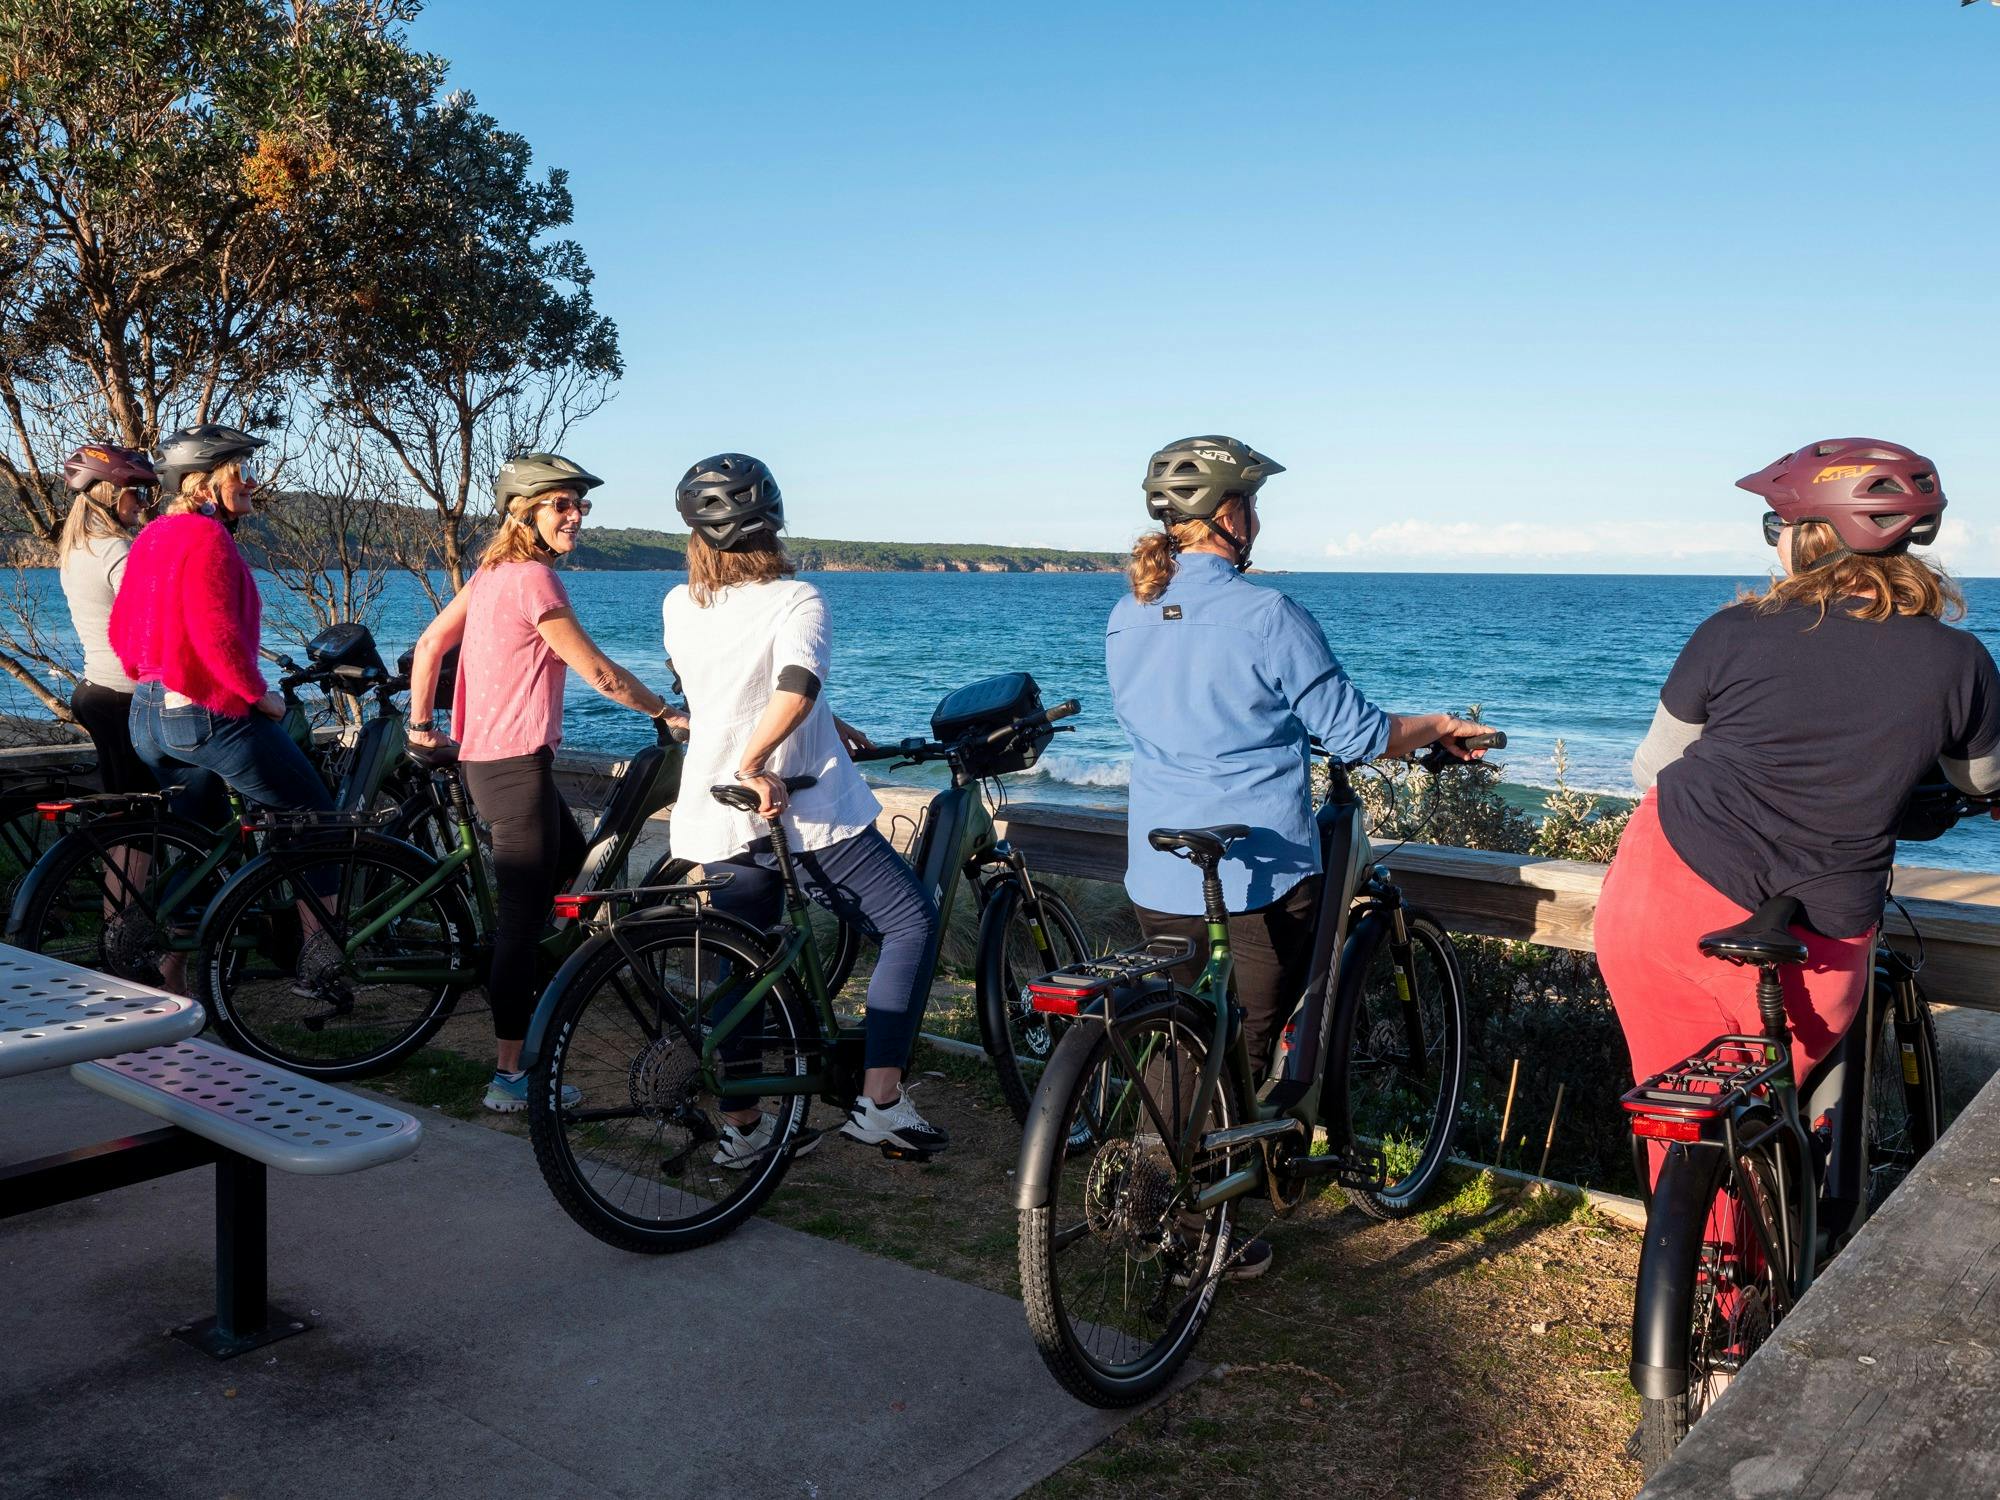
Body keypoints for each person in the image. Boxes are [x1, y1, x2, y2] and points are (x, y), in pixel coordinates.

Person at [1107, 435, 1493, 1279]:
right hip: (1252, 867)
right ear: (1230, 515)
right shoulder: (1266, 612)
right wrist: (1436, 726)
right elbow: (1357, 733)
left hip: (1158, 863)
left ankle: (1150, 1188)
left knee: (1186, 1032)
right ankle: (1189, 1230)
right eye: (1252, 503)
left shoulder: (1130, 609)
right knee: (1247, 1034)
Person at [1596, 439, 2000, 1149]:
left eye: (1775, 526)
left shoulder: (1729, 632)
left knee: (1688, 1120)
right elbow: (1982, 778)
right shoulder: (1956, 659)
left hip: (1669, 886)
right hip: (1827, 915)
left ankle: (1698, 1245)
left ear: (1809, 537)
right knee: (1775, 1104)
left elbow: (1655, 769)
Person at [664, 452, 947, 1164]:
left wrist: (828, 718)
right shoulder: (799, 599)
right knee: (910, 922)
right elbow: (792, 684)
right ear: (775, 525)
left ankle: (744, 1129)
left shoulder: (679, 604)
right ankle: (880, 1101)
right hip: (799, 812)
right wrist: (757, 759)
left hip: (717, 817)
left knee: (744, 962)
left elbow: (730, 689)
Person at [405, 453, 680, 1114]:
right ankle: (510, 1077)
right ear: (525, 510)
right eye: (562, 504)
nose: (576, 515)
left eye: (580, 505)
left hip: (488, 763)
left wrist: (420, 725)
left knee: (564, 860)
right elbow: (602, 675)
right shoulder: (533, 580)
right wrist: (667, 713)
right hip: (515, 770)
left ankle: (535, 983)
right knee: (520, 924)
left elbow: (427, 645)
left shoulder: (492, 574)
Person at [57, 443, 160, 795]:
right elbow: (149, 623)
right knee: (143, 818)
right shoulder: (117, 549)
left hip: (94, 690)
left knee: (125, 811)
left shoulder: (75, 550)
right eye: (138, 492)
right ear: (109, 493)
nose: (144, 503)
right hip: (125, 695)